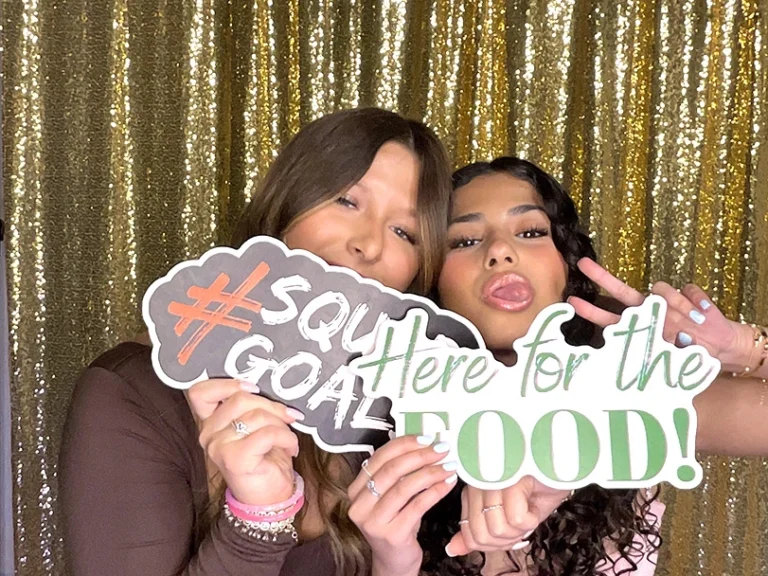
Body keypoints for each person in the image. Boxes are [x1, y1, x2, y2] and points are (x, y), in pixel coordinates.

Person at [59, 107, 461, 576]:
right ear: (285, 207)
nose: (369, 245)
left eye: (403, 232)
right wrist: (257, 521)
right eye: (347, 201)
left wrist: (396, 565)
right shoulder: (136, 393)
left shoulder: (395, 415)